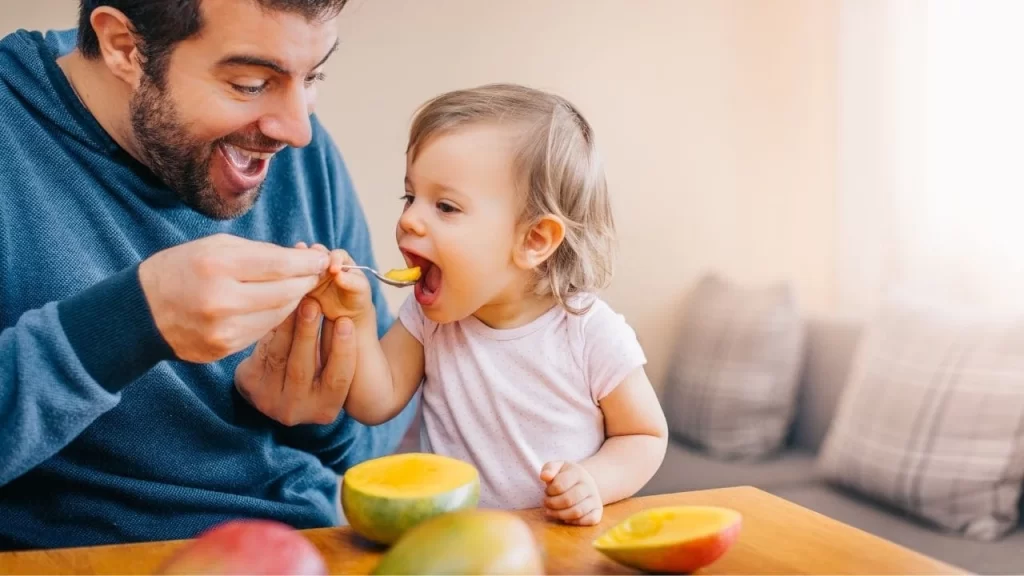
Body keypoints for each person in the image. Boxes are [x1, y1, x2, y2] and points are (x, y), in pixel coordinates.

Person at [0, 0, 416, 551]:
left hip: (311, 545)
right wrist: (131, 323)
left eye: (312, 76)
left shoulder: (290, 150)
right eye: (249, 83)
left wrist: (322, 409)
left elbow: (380, 444)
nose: (298, 131)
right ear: (124, 46)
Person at [310, 83, 669, 526]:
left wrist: (593, 480)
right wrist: (357, 316)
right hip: (456, 540)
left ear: (534, 239)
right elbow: (373, 402)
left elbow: (645, 433)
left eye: (445, 206)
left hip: (557, 544)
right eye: (410, 197)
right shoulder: (429, 319)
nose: (407, 219)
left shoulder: (588, 331)